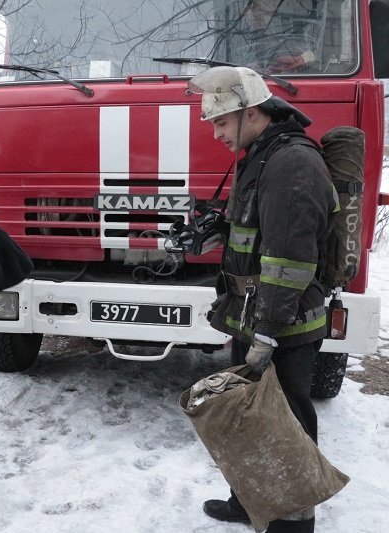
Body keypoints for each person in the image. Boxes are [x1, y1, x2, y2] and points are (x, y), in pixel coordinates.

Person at [187, 65, 337, 533]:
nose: (215, 134)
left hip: (284, 324)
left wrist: (267, 334)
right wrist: (217, 230)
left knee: (286, 420)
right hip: (254, 317)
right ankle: (248, 499)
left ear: (250, 113)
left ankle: (293, 522)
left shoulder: (291, 163)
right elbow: (257, 232)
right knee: (251, 417)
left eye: (220, 123)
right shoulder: (261, 154)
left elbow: (288, 261)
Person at [223, 0, 318, 74]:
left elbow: (314, 56)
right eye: (250, 9)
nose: (256, 15)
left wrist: (303, 59)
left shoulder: (291, 36)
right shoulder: (232, 40)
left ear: (272, 11)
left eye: (260, 9)